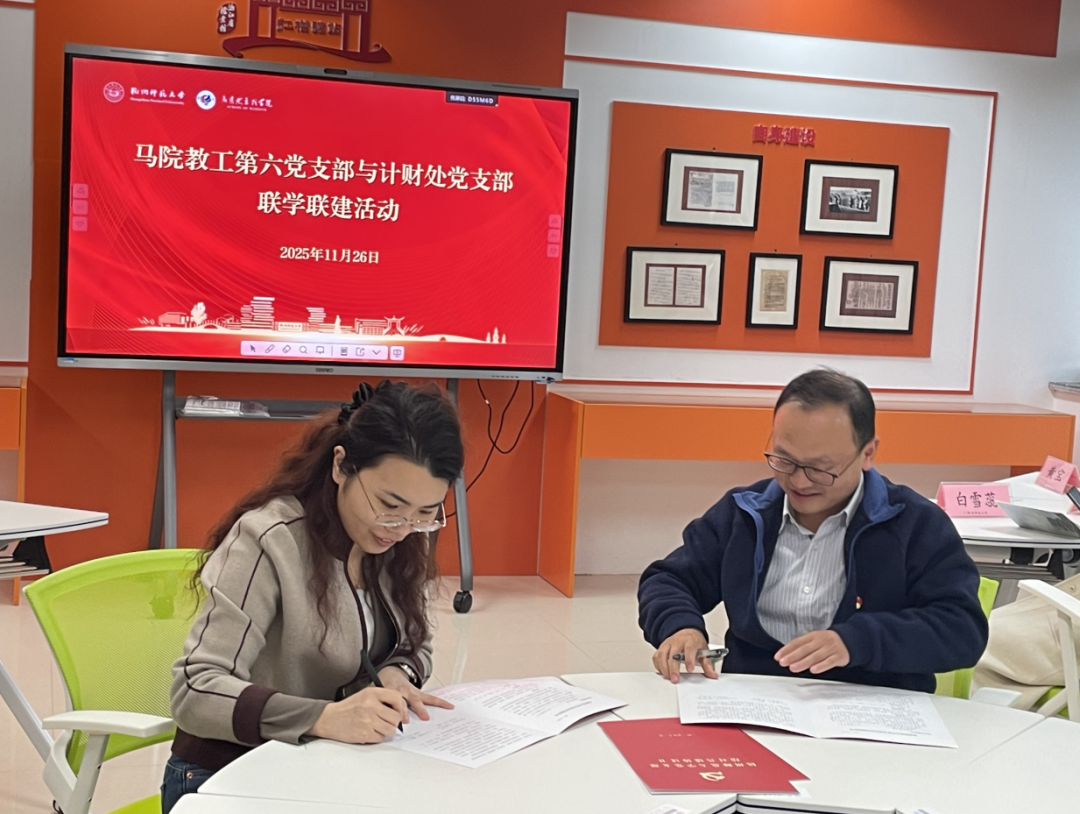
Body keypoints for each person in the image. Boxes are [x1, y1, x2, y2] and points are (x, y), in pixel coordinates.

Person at [162, 380, 464, 813]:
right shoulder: (269, 539)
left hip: (329, 767)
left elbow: (416, 645)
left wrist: (397, 674)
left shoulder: (396, 542)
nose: (400, 528)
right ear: (341, 466)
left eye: (424, 514)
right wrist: (323, 718)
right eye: (388, 504)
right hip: (229, 773)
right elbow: (195, 690)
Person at [638, 369, 988, 692]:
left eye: (821, 468)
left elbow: (961, 629)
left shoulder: (914, 524)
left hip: (874, 706)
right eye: (784, 460)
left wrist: (857, 642)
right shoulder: (744, 514)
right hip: (757, 699)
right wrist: (680, 627)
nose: (799, 481)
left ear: (868, 453)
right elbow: (669, 579)